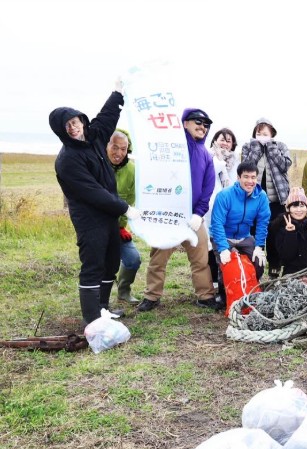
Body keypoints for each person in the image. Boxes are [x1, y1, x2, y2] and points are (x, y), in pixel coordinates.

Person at [49, 81, 140, 325]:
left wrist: (118, 93)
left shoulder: (95, 136)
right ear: (61, 131)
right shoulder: (68, 160)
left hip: (108, 216)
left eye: (75, 122)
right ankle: (92, 319)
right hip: (89, 220)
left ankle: (103, 308)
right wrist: (125, 208)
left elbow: (107, 116)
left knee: (111, 261)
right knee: (93, 265)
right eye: (67, 126)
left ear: (81, 120)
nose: (73, 128)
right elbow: (93, 193)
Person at [137, 108, 219, 311]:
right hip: (169, 216)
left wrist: (198, 214)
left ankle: (205, 295)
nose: (202, 127)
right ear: (184, 123)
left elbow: (208, 188)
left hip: (193, 217)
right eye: (197, 122)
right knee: (158, 257)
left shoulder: (206, 155)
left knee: (201, 258)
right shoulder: (171, 148)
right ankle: (152, 296)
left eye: (206, 124)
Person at [240, 118, 292, 273]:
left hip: (276, 199)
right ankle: (255, 265)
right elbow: (245, 167)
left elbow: (284, 165)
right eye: (259, 133)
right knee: (254, 232)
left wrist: (271, 148)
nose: (262, 136)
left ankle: (274, 265)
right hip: (253, 198)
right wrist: (256, 148)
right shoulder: (248, 146)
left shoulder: (280, 146)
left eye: (265, 133)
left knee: (274, 232)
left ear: (272, 134)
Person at [210, 161, 271, 291]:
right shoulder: (225, 195)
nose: (250, 181)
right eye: (246, 177)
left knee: (258, 262)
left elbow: (263, 223)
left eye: (253, 177)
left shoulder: (261, 196)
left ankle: (252, 287)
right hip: (224, 236)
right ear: (238, 178)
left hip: (244, 236)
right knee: (228, 264)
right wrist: (223, 248)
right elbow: (217, 223)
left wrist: (259, 246)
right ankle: (224, 292)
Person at [106, 129, 141, 304]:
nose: (118, 153)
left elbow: (131, 202)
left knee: (133, 259)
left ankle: (123, 291)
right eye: (115, 147)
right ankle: (97, 302)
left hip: (118, 227)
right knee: (102, 264)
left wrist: (120, 227)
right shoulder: (98, 166)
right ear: (106, 145)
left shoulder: (133, 170)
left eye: (123, 149)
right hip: (97, 226)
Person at [206, 127, 238, 296]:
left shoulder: (235, 160)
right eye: (222, 139)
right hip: (209, 204)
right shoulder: (208, 156)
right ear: (215, 141)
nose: (225, 143)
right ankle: (210, 282)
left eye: (228, 140)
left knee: (222, 242)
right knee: (209, 242)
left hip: (228, 206)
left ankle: (224, 280)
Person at [272, 187, 307, 275]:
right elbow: (286, 256)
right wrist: (290, 234)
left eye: (302, 205)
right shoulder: (281, 227)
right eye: (295, 206)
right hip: (293, 275)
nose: (299, 210)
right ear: (288, 209)